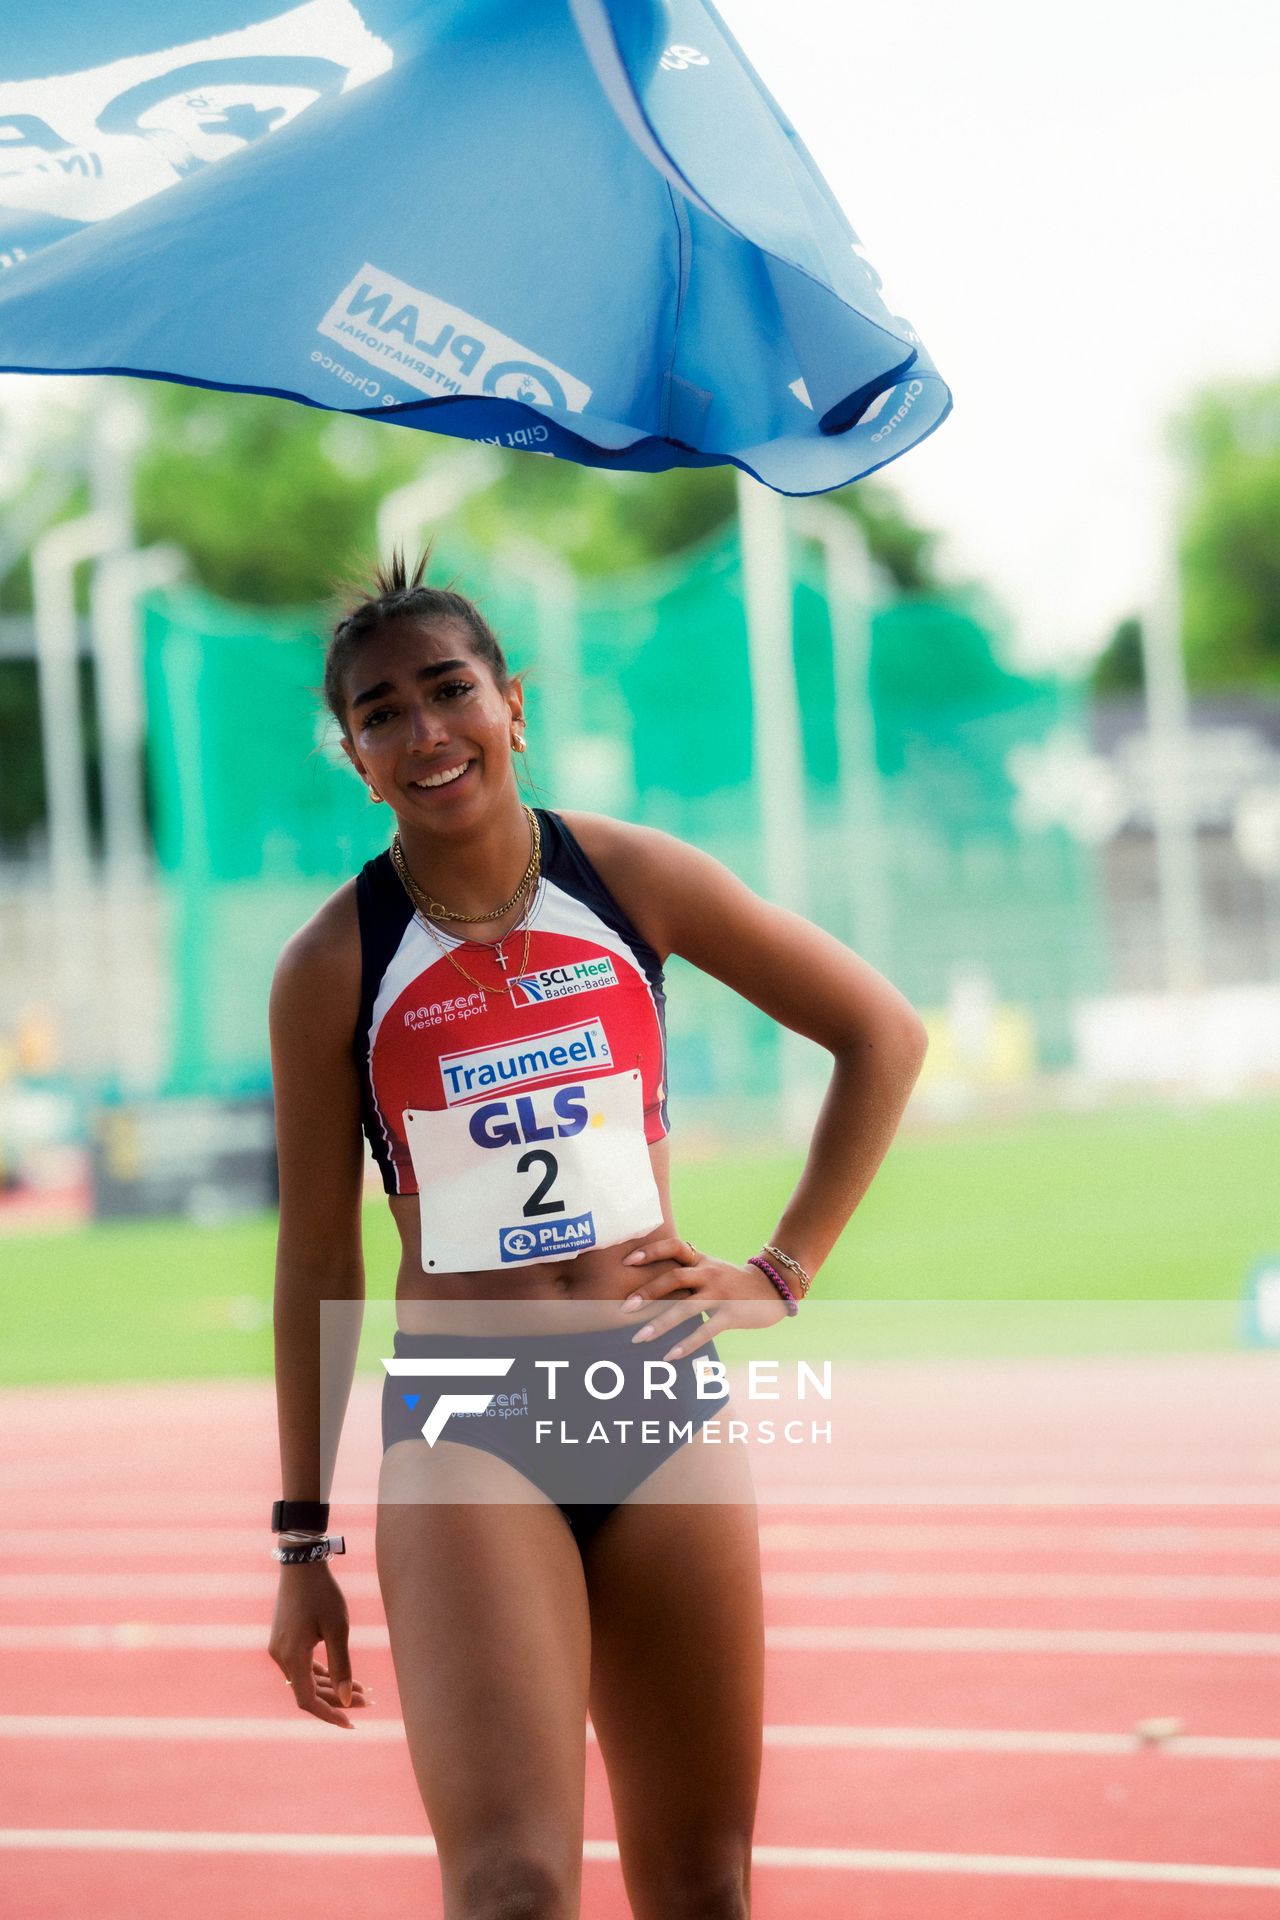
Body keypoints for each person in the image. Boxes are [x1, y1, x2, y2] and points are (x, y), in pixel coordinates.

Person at [267, 551, 927, 1920]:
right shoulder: (334, 963)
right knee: (512, 1885)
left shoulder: (627, 879)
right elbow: (318, 1260)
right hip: (470, 1422)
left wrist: (779, 1273)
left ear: (514, 704)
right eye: (383, 713)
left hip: (654, 1396)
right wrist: (299, 1544)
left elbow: (882, 1034)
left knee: (705, 1885)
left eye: (450, 691)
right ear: (356, 757)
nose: (426, 730)